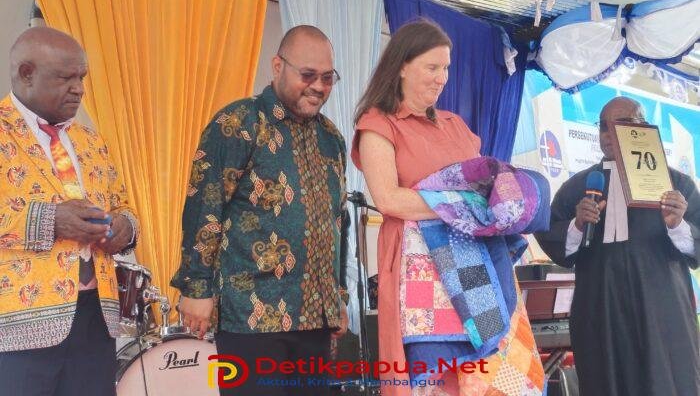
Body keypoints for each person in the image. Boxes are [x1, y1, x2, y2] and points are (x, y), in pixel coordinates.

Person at [352, 20, 544, 396]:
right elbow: (389, 199)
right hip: (419, 266)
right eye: (432, 67)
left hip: (476, 261)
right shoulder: (378, 123)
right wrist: (461, 205)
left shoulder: (455, 125)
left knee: (487, 373)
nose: (442, 78)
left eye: (446, 68)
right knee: (435, 374)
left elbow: (484, 188)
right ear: (402, 65)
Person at [171, 25, 348, 396]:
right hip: (250, 316)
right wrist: (196, 287)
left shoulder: (331, 139)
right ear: (277, 66)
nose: (318, 86)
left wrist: (338, 297)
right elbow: (205, 205)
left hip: (316, 319)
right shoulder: (238, 123)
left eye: (327, 77)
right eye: (308, 75)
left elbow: (337, 223)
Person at [0, 27, 139, 396]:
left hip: (96, 317)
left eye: (82, 77)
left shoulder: (90, 140)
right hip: (16, 322)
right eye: (66, 78)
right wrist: (51, 220)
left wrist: (125, 227)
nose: (78, 89)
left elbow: (122, 202)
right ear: (26, 73)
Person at [534, 96, 700, 396]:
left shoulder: (676, 185)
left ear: (644, 127)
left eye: (621, 124)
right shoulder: (579, 187)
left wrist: (678, 225)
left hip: (661, 312)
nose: (609, 134)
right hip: (600, 310)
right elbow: (551, 236)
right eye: (603, 127)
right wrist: (577, 225)